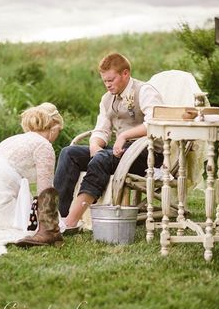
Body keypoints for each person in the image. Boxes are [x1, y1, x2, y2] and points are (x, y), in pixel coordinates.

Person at [54, 53, 164, 233]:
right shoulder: (106, 99)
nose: (108, 85)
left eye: (111, 80)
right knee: (69, 152)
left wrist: (124, 136)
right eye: (104, 81)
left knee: (104, 158)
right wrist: (95, 146)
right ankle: (59, 215)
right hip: (122, 152)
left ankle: (71, 223)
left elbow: (155, 123)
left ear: (125, 74)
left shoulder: (144, 91)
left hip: (149, 154)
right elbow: (101, 130)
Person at [0, 102, 64, 256]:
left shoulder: (16, 139)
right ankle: (48, 232)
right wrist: (49, 225)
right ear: (54, 127)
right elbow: (45, 190)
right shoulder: (44, 146)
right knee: (20, 228)